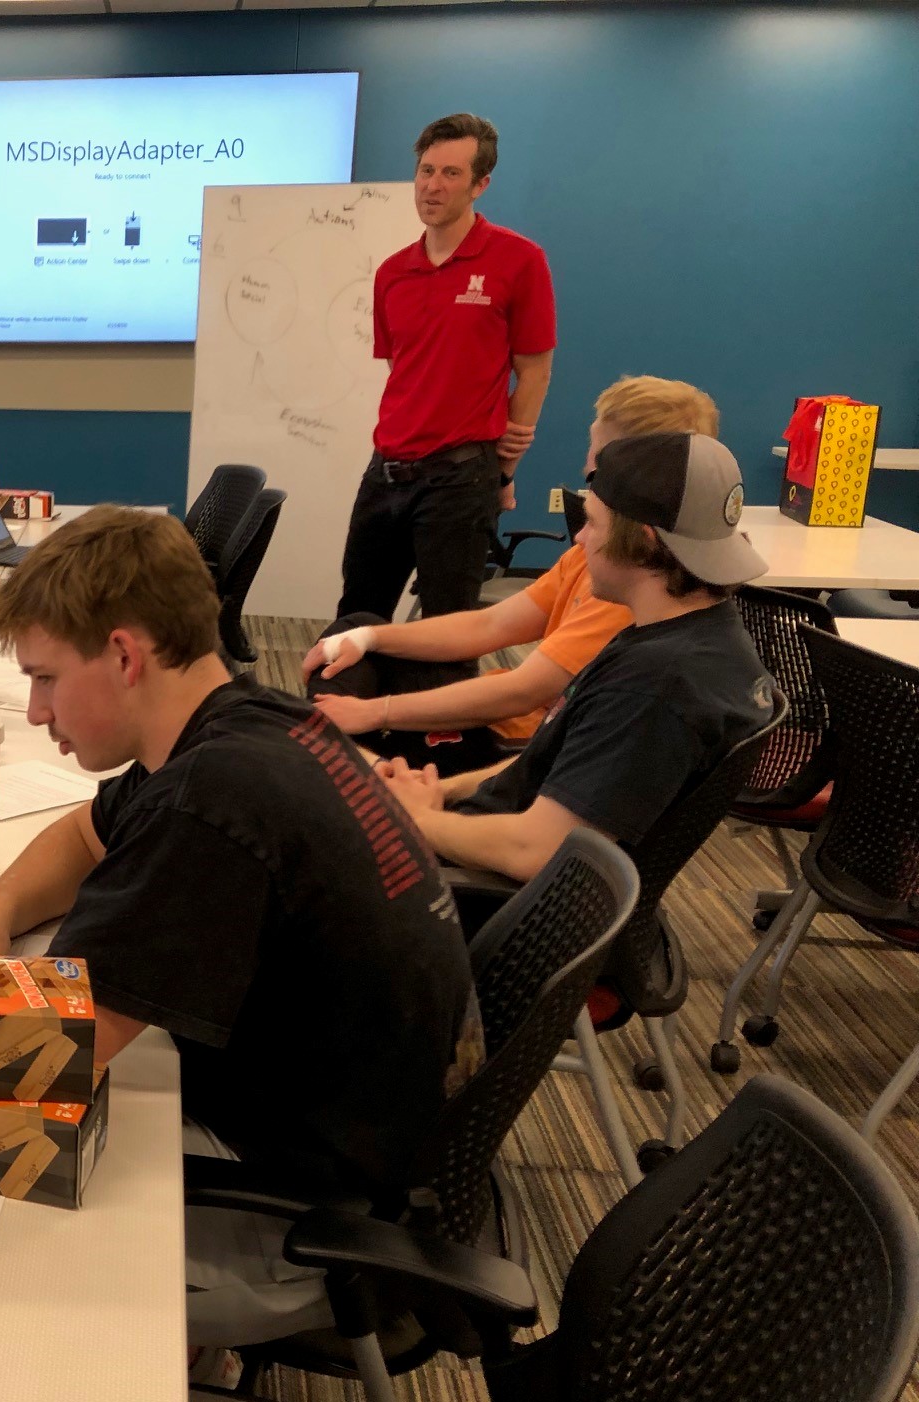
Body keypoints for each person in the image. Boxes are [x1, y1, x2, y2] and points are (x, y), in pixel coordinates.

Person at [0, 508, 478, 1349]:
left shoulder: (210, 807)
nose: (37, 712)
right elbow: (83, 836)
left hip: (297, 1216)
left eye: (45, 679)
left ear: (123, 655)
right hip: (344, 1134)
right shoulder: (249, 724)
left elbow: (26, 1057)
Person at [379, 433, 776, 883]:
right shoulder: (703, 634)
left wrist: (418, 820)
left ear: (644, 542)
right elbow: (560, 761)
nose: (580, 539)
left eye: (592, 523)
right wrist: (440, 791)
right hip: (483, 839)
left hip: (479, 897)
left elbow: (537, 852)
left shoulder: (655, 686)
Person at [305, 376, 720, 775]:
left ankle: (354, 774)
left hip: (516, 749)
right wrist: (368, 639)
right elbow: (490, 624)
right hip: (503, 717)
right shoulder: (592, 548)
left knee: (330, 725)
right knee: (357, 631)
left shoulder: (630, 581)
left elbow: (524, 691)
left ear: (624, 466)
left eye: (594, 452)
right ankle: (351, 767)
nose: (585, 464)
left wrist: (374, 712)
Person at [337, 113, 556, 624]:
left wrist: (504, 469)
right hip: (385, 469)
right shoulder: (393, 272)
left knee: (446, 631)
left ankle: (434, 707)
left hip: (460, 477)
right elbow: (403, 366)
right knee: (356, 618)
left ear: (481, 184)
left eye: (451, 174)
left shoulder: (519, 260)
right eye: (426, 171)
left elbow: (536, 371)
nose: (433, 186)